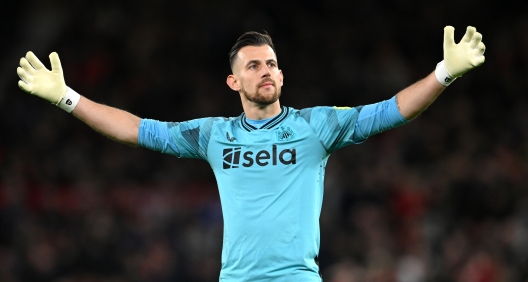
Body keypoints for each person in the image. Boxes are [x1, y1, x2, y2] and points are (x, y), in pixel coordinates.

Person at [17, 25, 485, 281]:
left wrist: (444, 72)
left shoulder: (315, 127)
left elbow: (390, 112)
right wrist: (68, 98)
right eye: (255, 65)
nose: (267, 71)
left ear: (282, 77)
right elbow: (136, 129)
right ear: (233, 81)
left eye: (273, 64)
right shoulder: (213, 135)